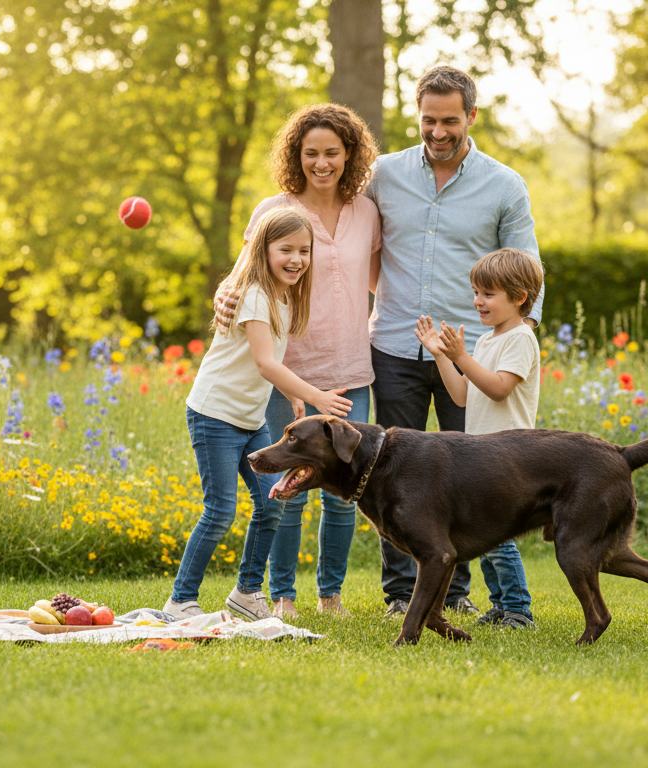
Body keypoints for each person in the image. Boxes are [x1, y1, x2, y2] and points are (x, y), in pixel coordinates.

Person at [366, 64, 545, 618]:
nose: (437, 132)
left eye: (449, 121)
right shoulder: (383, 174)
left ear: (471, 116)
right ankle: (402, 595)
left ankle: (455, 593)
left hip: (471, 354)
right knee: (390, 476)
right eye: (428, 120)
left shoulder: (504, 185)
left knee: (468, 479)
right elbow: (341, 234)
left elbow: (528, 266)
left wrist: (518, 338)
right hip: (395, 344)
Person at [213, 104, 381, 619]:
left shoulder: (366, 212)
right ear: (296, 155)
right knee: (289, 486)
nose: (321, 163)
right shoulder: (274, 209)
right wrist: (222, 295)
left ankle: (331, 596)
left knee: (345, 490)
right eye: (311, 153)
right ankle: (283, 596)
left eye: (332, 152)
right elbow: (241, 279)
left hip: (351, 371)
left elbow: (379, 282)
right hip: (290, 372)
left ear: (349, 155)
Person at [165, 207, 353, 621]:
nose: (296, 259)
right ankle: (180, 601)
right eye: (286, 249)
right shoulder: (254, 295)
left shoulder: (283, 297)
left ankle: (247, 593)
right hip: (215, 414)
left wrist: (292, 392)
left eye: (304, 250)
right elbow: (266, 363)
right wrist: (315, 396)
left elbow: (267, 361)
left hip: (250, 420)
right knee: (219, 511)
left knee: (272, 503)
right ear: (263, 250)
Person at [413, 247, 543, 628]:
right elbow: (462, 395)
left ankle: (519, 609)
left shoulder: (520, 338)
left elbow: (500, 388)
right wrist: (442, 355)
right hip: (480, 453)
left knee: (498, 538)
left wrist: (462, 357)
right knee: (482, 536)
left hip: (508, 455)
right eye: (475, 292)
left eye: (488, 293)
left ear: (518, 297)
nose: (478, 301)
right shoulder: (487, 340)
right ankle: (501, 605)